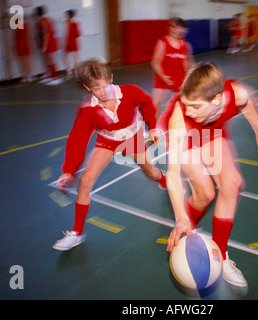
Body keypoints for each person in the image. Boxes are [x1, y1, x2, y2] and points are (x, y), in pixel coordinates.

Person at [160, 62, 258, 287]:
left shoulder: (236, 93)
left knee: (232, 182)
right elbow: (172, 174)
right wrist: (180, 216)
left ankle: (219, 256)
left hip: (212, 130)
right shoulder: (181, 115)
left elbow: (247, 104)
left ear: (217, 99)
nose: (189, 110)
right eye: (186, 104)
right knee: (205, 194)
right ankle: (187, 225)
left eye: (195, 106)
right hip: (188, 135)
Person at [53, 58, 166, 251]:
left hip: (133, 138)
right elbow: (77, 139)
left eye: (105, 85)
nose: (103, 91)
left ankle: (164, 180)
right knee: (86, 180)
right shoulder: (88, 109)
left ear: (111, 78)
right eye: (97, 88)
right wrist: (69, 171)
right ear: (88, 87)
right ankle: (77, 233)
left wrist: (153, 127)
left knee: (151, 172)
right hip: (107, 141)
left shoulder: (129, 91)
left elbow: (147, 103)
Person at [151, 17, 195, 109]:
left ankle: (185, 120)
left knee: (187, 102)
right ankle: (150, 122)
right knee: (155, 103)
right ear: (169, 28)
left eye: (179, 27)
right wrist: (163, 76)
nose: (176, 30)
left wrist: (191, 75)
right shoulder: (163, 42)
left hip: (180, 78)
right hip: (163, 77)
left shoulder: (185, 44)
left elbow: (190, 62)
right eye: (173, 27)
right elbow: (155, 62)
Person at [34, 6, 63, 85]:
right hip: (46, 42)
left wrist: (44, 46)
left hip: (49, 42)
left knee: (50, 60)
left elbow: (47, 33)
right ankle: (49, 76)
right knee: (47, 60)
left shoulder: (44, 21)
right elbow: (42, 34)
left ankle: (56, 77)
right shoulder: (40, 21)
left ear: (38, 14)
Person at [13, 15, 33, 82]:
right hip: (24, 44)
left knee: (23, 62)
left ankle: (26, 76)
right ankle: (28, 76)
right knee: (25, 61)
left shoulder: (19, 26)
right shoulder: (26, 25)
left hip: (21, 45)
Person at [63, 9, 81, 80]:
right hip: (74, 42)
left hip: (69, 42)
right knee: (75, 58)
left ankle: (70, 71)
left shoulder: (67, 23)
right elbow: (78, 34)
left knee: (66, 57)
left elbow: (66, 34)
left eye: (67, 15)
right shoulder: (75, 23)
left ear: (69, 15)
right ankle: (75, 73)